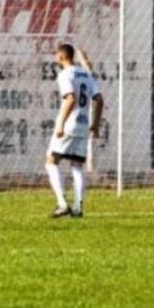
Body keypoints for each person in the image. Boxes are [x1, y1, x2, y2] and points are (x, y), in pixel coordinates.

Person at [46, 44, 104, 218]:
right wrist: (95, 125)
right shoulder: (85, 73)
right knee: (77, 165)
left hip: (70, 124)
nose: (55, 57)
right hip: (83, 124)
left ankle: (63, 204)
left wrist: (60, 124)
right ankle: (78, 208)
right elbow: (99, 100)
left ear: (62, 56)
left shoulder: (65, 74)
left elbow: (70, 98)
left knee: (51, 161)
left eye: (56, 54)